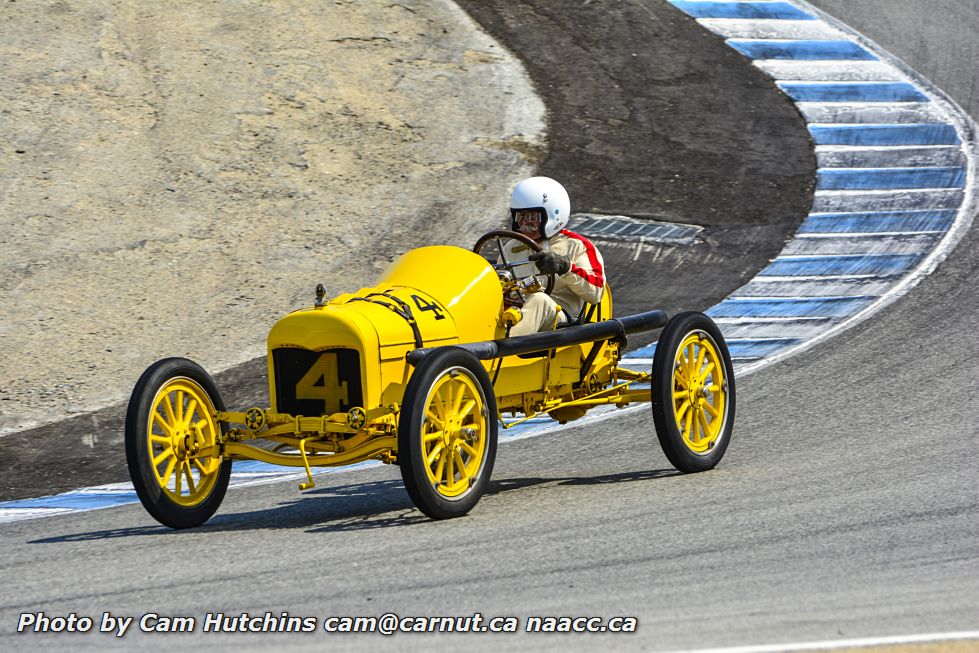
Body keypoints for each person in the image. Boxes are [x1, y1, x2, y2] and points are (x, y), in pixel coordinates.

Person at [504, 177, 605, 337]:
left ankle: (493, 354)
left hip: (560, 320)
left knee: (539, 300)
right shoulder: (511, 247)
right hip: (515, 312)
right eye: (520, 217)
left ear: (553, 215)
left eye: (531, 218)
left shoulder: (576, 245)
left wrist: (565, 267)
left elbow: (597, 291)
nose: (524, 224)